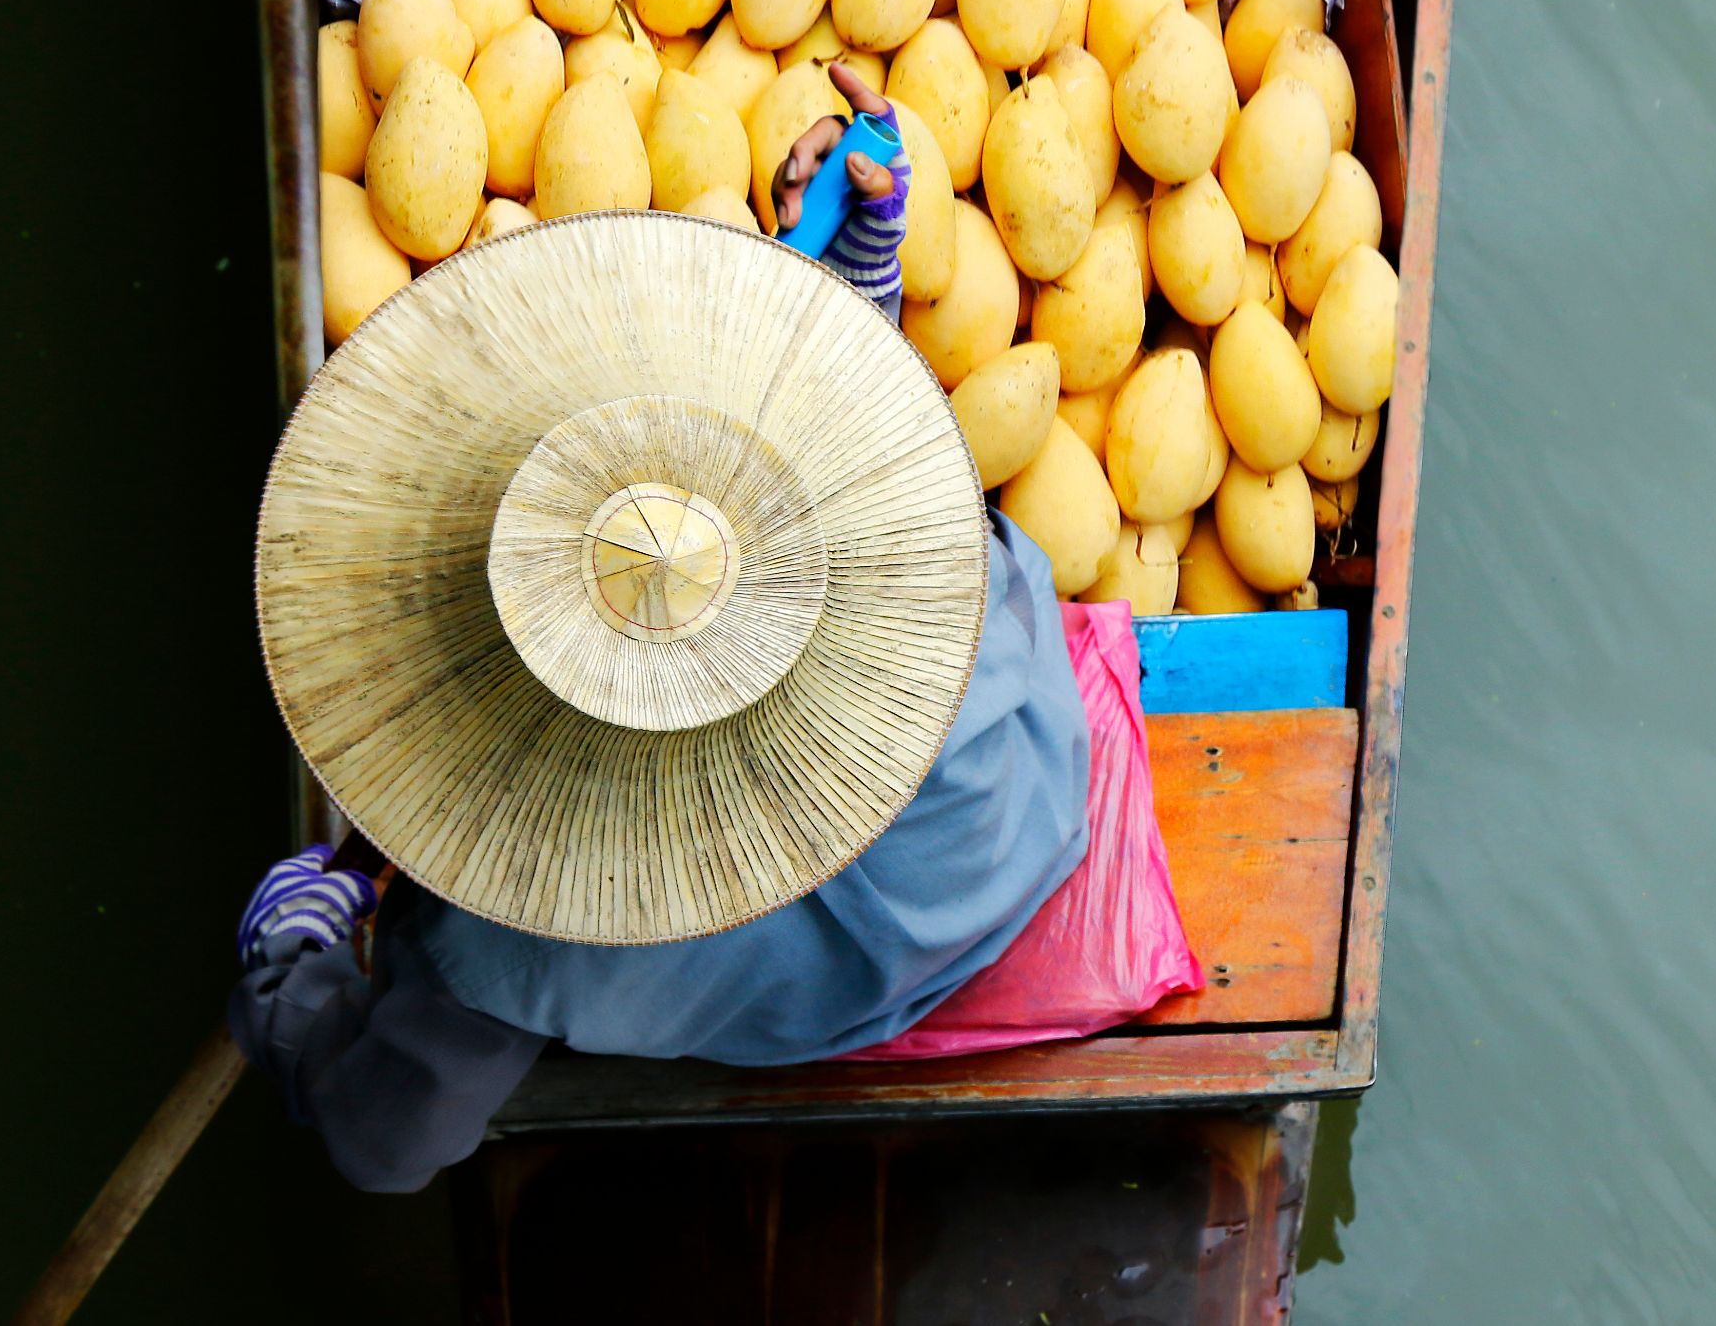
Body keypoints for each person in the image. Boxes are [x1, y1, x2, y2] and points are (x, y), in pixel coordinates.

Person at [230, 64, 1091, 1193]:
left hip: (853, 971)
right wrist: (847, 268)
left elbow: (384, 1143)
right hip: (1027, 798)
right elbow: (804, 408)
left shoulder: (506, 927)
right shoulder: (887, 526)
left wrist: (289, 971)